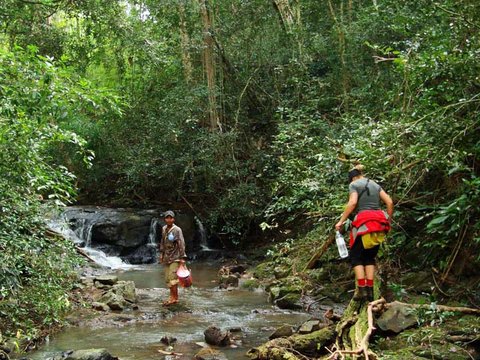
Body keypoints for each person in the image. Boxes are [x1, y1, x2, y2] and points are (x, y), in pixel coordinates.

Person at [335, 165, 394, 302]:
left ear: (352, 178)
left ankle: (361, 291)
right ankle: (370, 291)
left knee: (356, 257)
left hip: (364, 224)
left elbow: (352, 203)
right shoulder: (374, 184)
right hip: (379, 224)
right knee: (369, 257)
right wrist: (388, 220)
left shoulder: (354, 185)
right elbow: (390, 202)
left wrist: (341, 221)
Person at [159, 210, 187, 306]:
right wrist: (161, 254)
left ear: (173, 219)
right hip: (167, 257)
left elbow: (181, 243)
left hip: (175, 257)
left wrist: (182, 257)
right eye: (167, 217)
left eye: (171, 217)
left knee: (173, 278)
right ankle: (171, 296)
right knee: (167, 279)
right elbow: (162, 241)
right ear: (165, 219)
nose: (169, 219)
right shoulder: (164, 229)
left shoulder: (177, 230)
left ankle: (175, 298)